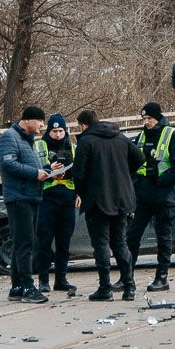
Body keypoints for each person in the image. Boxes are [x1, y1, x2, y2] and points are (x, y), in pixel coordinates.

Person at [69, 109, 144, 301]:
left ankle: (105, 288)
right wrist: (125, 174)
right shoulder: (120, 137)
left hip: (97, 200)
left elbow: (78, 172)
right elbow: (140, 158)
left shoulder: (86, 141)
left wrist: (81, 191)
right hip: (121, 197)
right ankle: (129, 286)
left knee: (101, 243)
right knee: (120, 242)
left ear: (83, 125)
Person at [127, 102, 175, 293]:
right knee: (131, 236)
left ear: (158, 118)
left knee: (163, 238)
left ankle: (161, 278)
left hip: (164, 194)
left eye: (149, 119)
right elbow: (132, 164)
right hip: (143, 196)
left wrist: (160, 180)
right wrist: (136, 183)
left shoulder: (171, 135)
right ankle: (126, 277)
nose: (146, 123)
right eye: (144, 119)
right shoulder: (140, 137)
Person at [0, 106, 50, 304]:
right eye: (40, 122)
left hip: (31, 196)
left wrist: (48, 170)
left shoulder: (29, 141)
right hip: (19, 197)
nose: (42, 126)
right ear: (27, 120)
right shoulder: (10, 137)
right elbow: (8, 164)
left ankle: (17, 287)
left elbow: (30, 165)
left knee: (24, 242)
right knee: (25, 244)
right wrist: (35, 174)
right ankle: (27, 286)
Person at [32, 113, 77, 295]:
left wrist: (79, 193)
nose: (58, 135)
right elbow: (33, 170)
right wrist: (50, 171)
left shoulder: (73, 148)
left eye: (60, 131)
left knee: (64, 242)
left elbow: (79, 173)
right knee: (44, 241)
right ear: (48, 131)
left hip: (67, 200)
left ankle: (61, 279)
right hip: (46, 199)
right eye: (54, 131)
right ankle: (43, 280)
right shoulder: (38, 146)